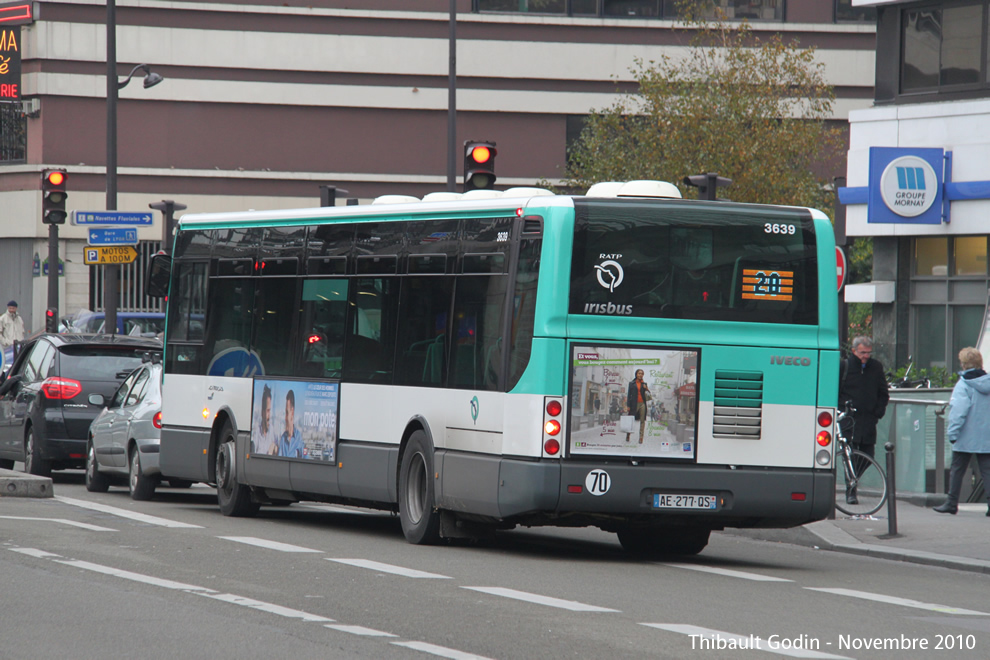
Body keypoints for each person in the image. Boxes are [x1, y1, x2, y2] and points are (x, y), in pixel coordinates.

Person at [934, 347, 990, 515]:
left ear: (963, 364)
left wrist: (953, 433)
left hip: (966, 436)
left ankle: (951, 503)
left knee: (957, 470)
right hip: (987, 436)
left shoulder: (963, 384)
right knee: (987, 471)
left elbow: (959, 411)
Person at [838, 336, 889, 504]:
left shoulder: (875, 367)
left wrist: (877, 412)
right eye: (862, 353)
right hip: (849, 419)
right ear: (853, 351)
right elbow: (835, 390)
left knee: (868, 454)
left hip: (868, 420)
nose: (866, 356)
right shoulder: (844, 366)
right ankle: (851, 490)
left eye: (868, 352)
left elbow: (883, 393)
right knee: (850, 455)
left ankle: (854, 478)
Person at [275, 389, 305, 458]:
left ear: (292, 412)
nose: (285, 418)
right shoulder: (283, 438)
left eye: (287, 413)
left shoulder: (299, 438)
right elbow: (279, 460)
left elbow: (305, 460)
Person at [625, 368, 652, 444]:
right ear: (636, 374)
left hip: (642, 403)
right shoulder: (631, 383)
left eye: (642, 374)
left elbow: (649, 395)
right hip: (634, 404)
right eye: (639, 373)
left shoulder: (644, 384)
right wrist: (628, 405)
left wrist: (646, 388)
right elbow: (629, 395)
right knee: (631, 420)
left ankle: (641, 437)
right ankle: (628, 435)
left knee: (642, 421)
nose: (640, 375)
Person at [253, 384, 278, 455]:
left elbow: (278, 449)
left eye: (270, 411)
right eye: (268, 411)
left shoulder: (273, 432)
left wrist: (274, 447)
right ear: (262, 412)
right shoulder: (257, 433)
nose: (269, 416)